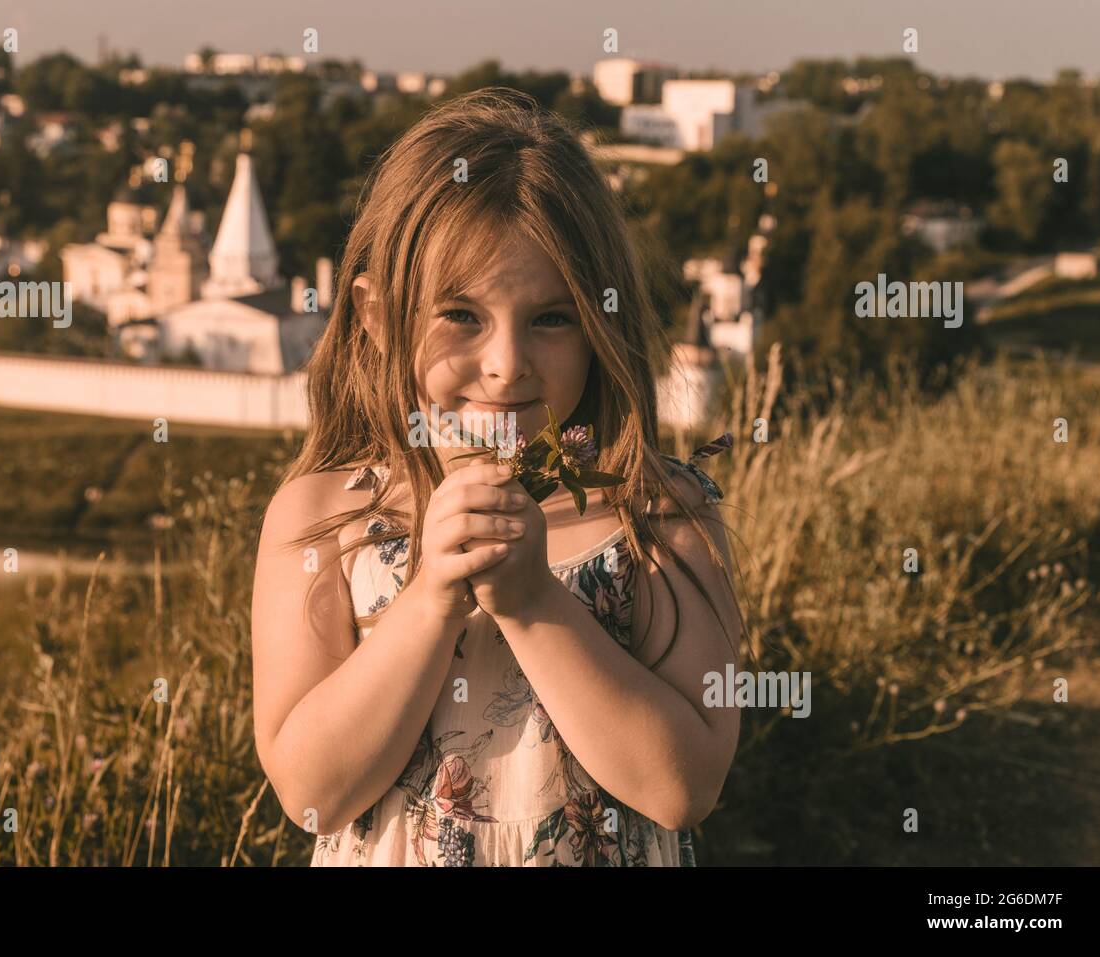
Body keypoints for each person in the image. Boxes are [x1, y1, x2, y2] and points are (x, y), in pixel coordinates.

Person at [251, 88, 742, 866]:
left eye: (552, 317)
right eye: (461, 316)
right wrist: (431, 600)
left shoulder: (661, 515)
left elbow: (684, 787)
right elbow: (312, 789)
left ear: (600, 324)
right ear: (377, 319)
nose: (507, 363)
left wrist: (532, 600)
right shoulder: (324, 518)